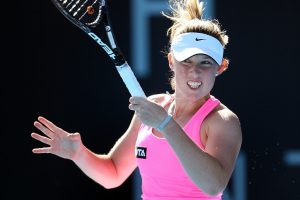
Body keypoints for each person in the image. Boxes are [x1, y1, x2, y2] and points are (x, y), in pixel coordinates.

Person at [31, 0, 242, 199]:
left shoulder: (223, 122)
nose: (195, 72)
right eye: (186, 61)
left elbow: (213, 184)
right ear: (171, 61)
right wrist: (79, 154)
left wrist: (166, 125)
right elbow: (113, 173)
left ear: (220, 67)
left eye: (205, 62)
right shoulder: (153, 108)